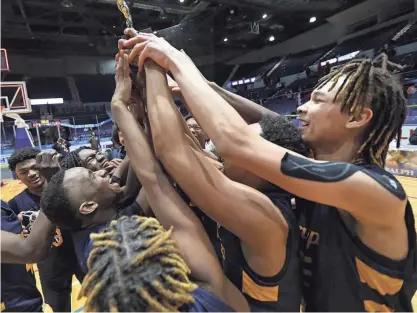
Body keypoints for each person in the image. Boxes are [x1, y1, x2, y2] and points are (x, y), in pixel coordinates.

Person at [122, 33, 417, 311]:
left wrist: (174, 59)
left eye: (317, 100)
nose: (301, 108)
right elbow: (276, 127)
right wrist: (206, 87)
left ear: (357, 118)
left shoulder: (376, 191)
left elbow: (238, 143)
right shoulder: (318, 166)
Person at [81, 54, 248, 312]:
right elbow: (156, 179)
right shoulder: (211, 290)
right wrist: (122, 105)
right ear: (175, 259)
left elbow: (154, 178)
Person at [142, 57, 307, 311]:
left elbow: (173, 153)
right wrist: (157, 91)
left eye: (245, 147)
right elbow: (186, 147)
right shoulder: (252, 188)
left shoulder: (267, 218)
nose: (225, 148)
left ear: (266, 165)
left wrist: (153, 67)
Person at [7, 147, 85, 312]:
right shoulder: (15, 204)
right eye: (23, 171)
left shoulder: (68, 187)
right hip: (50, 267)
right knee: (59, 309)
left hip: (82, 255)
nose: (31, 174)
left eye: (35, 167)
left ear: (43, 166)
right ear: (17, 176)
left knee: (105, 299)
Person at [1, 200, 44, 312]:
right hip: (12, 306)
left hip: (26, 296)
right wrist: (49, 208)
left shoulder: (2, 204)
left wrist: (19, 231)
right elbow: (31, 252)